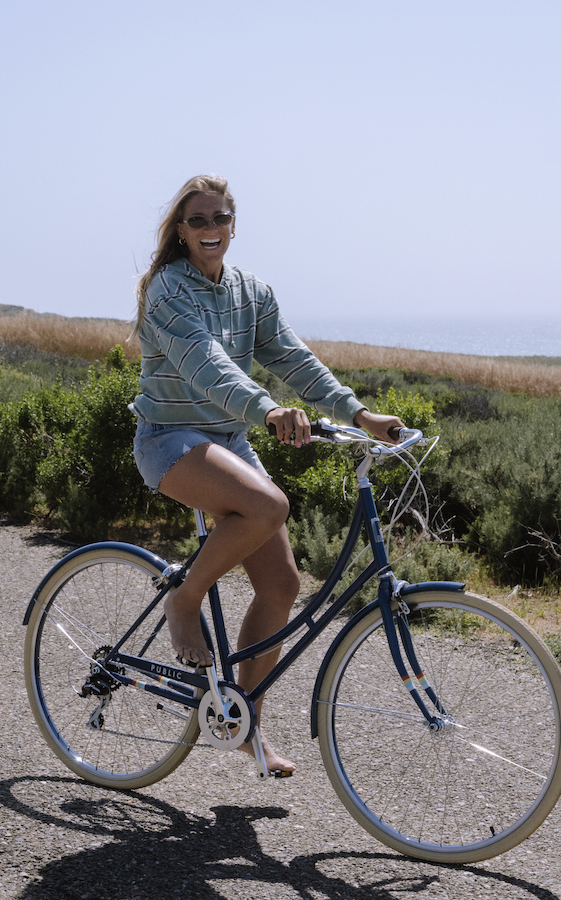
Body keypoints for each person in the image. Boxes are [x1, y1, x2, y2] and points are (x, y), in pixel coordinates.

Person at [132, 173, 403, 777]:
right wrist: (268, 410)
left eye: (220, 218)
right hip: (170, 438)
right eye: (198, 220)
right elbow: (205, 365)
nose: (211, 229)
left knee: (281, 585)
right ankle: (185, 598)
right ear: (181, 231)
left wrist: (360, 414)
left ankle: (244, 724)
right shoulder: (167, 289)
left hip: (226, 440)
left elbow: (291, 357)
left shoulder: (251, 292)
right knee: (269, 504)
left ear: (234, 224)